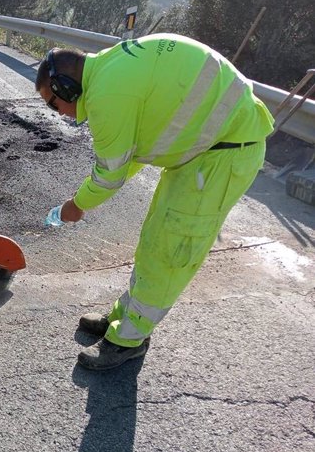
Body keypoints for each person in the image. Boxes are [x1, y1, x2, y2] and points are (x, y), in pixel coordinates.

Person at [36, 33, 274, 370]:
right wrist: (84, 199)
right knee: (154, 240)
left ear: (66, 89)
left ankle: (128, 340)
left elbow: (110, 174)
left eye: (53, 103)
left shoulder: (107, 95)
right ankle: (125, 318)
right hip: (202, 150)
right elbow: (133, 153)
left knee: (170, 249)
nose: (58, 113)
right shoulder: (110, 68)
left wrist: (76, 205)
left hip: (223, 153)